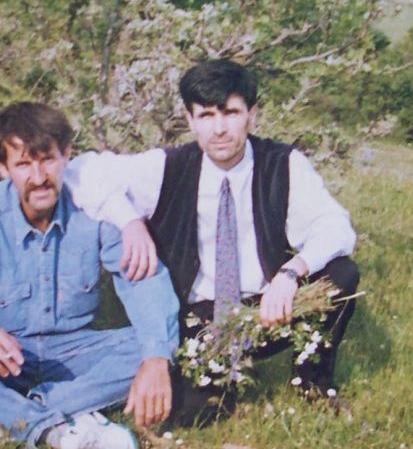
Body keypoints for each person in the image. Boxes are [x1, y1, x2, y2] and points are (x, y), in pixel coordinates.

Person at [66, 59, 358, 424]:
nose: (219, 129)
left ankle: (312, 383)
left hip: (268, 310)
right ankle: (214, 376)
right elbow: (80, 171)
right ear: (190, 120)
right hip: (198, 319)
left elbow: (335, 226)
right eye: (206, 115)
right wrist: (130, 222)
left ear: (251, 115)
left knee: (341, 274)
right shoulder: (167, 167)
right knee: (197, 414)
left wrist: (290, 273)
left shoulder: (283, 164)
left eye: (231, 113)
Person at [0, 102, 179, 449]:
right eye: (23, 164)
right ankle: (61, 427)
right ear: (2, 168)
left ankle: (4, 417)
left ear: (66, 155)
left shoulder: (94, 210)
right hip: (2, 359)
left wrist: (157, 358)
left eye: (47, 160)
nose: (38, 177)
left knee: (158, 344)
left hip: (76, 352)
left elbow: (145, 284)